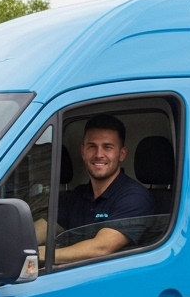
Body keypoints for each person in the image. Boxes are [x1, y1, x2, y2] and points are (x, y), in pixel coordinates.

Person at [36, 114, 156, 265]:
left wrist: (37, 255)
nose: (99, 155)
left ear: (122, 154)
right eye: (92, 146)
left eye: (107, 147)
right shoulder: (78, 195)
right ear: (83, 151)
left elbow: (101, 248)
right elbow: (39, 231)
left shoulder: (135, 197)